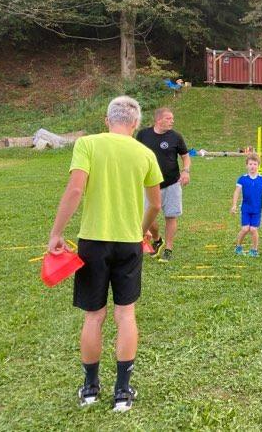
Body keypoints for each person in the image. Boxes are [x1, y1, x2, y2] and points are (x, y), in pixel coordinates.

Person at [47, 96, 163, 412]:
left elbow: (75, 190)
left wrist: (56, 233)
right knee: (125, 314)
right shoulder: (145, 153)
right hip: (128, 243)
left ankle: (90, 389)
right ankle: (122, 392)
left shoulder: (88, 145)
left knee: (94, 316)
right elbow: (155, 204)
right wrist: (142, 230)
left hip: (93, 242)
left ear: (107, 119)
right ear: (136, 123)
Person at [136, 108, 190, 263]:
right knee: (148, 217)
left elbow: (185, 156)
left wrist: (186, 171)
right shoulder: (143, 135)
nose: (172, 121)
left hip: (171, 182)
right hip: (149, 183)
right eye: (168, 118)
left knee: (171, 216)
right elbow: (135, 154)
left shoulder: (176, 137)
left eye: (172, 118)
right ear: (158, 120)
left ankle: (168, 249)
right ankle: (157, 239)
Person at [230, 153, 262, 257]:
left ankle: (254, 250)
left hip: (257, 210)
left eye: (255, 164)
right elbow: (237, 192)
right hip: (246, 209)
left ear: (258, 165)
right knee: (245, 229)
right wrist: (234, 205)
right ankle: (238, 247)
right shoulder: (242, 179)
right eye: (250, 164)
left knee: (253, 229)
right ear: (247, 165)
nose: (252, 166)